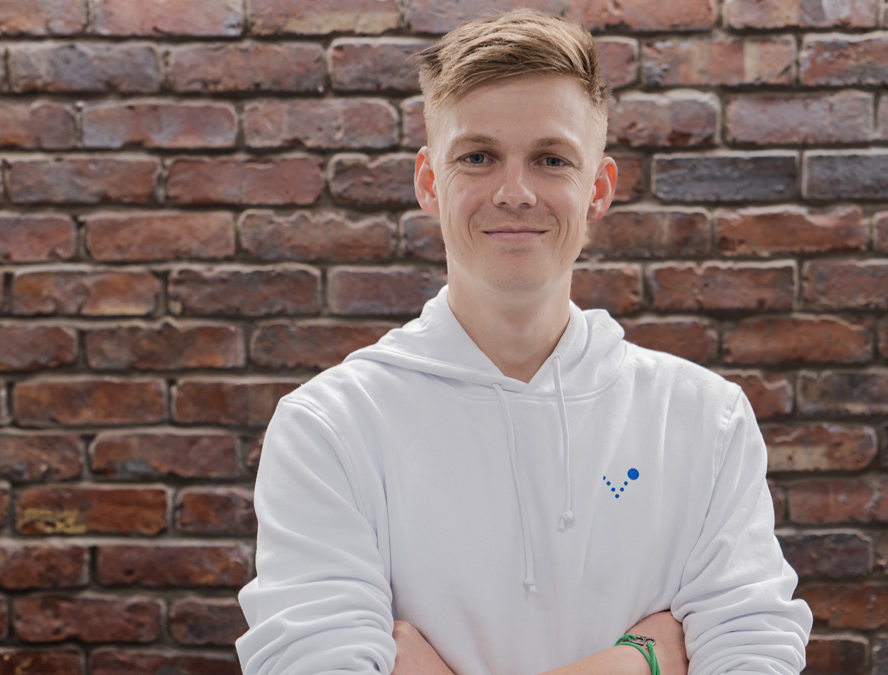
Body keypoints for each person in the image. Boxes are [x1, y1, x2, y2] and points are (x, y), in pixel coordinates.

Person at [235, 9, 811, 675]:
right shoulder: (329, 428)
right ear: (429, 182)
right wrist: (638, 663)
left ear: (597, 188)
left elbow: (755, 655)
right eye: (478, 157)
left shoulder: (705, 419)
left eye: (550, 159)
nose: (515, 192)